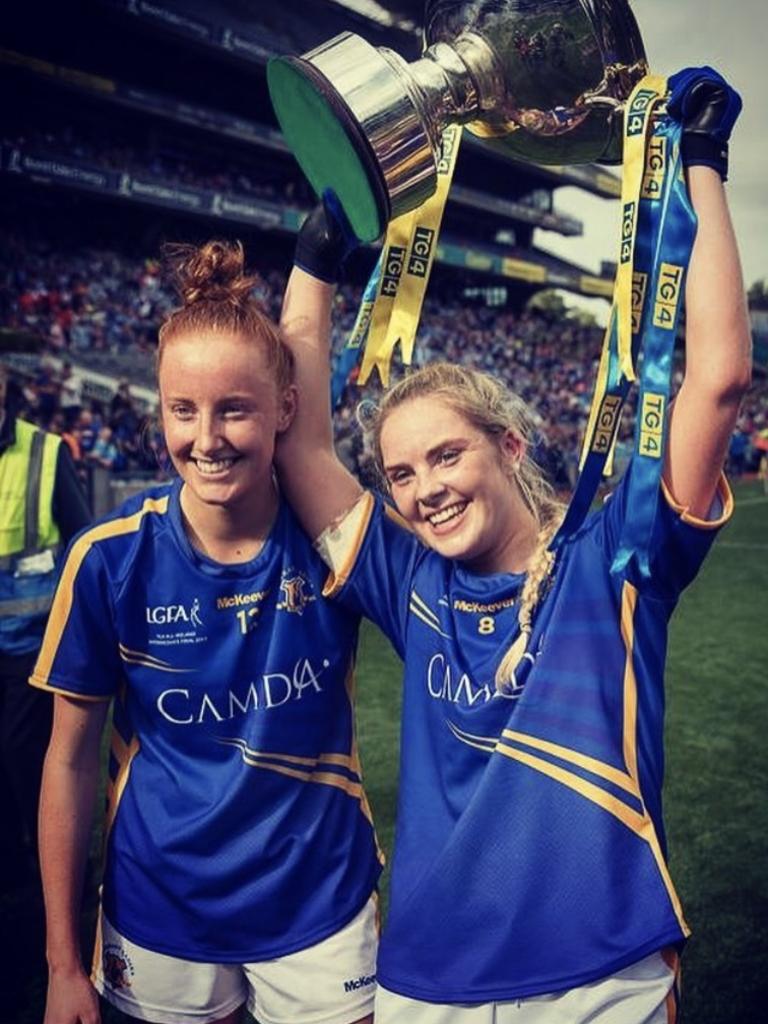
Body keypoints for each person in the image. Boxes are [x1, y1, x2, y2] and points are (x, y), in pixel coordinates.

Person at [275, 69, 751, 1022]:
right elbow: (300, 441)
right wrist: (317, 258)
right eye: (402, 476)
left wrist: (701, 163)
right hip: (427, 984)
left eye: (445, 456)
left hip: (599, 976)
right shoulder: (407, 578)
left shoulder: (616, 561)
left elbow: (717, 379)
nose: (424, 492)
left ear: (509, 445)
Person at [31, 241, 381, 1024]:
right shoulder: (110, 559)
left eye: (235, 408)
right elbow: (67, 761)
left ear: (284, 410)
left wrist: (316, 267)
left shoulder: (332, 542)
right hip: (161, 911)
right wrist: (62, 961)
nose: (206, 436)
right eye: (181, 410)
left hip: (318, 905)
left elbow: (318, 436)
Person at [1, 357, 91, 886]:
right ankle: (13, 856)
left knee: (24, 752)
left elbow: (81, 544)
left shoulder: (44, 451)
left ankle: (52, 860)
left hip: (31, 643)